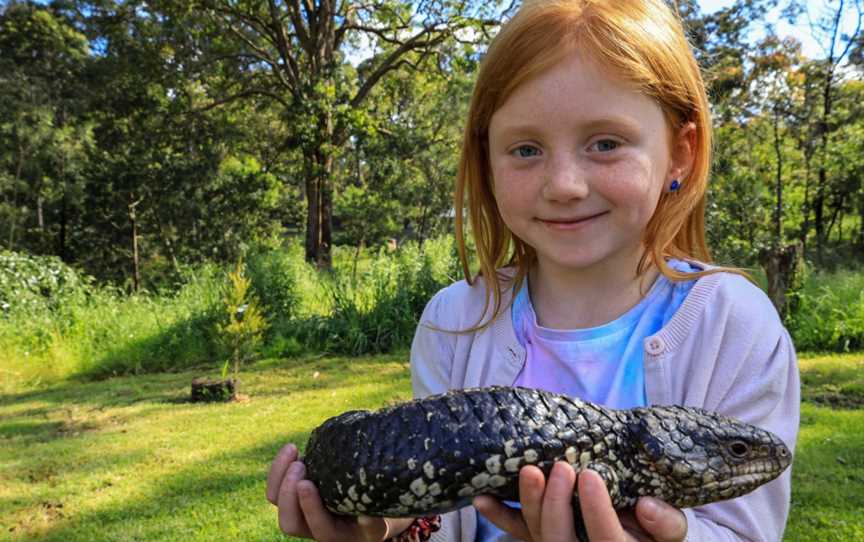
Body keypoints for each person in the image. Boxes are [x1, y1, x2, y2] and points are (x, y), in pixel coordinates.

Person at [265, 0, 801, 540]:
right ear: (487, 161)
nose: (564, 184)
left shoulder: (735, 324)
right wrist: (384, 531)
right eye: (525, 149)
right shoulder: (455, 321)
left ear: (680, 153)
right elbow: (441, 510)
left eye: (606, 143)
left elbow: (746, 530)